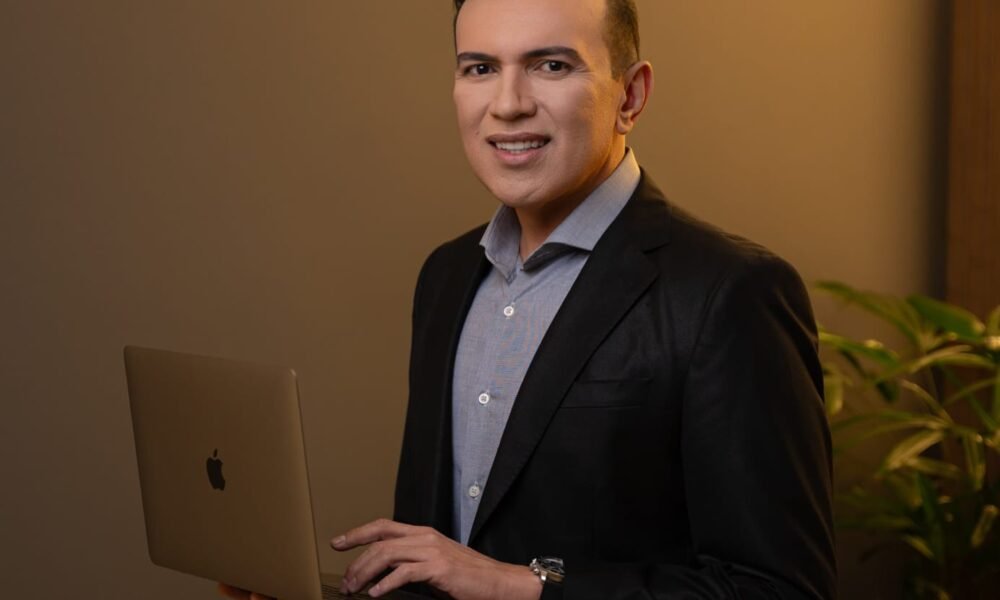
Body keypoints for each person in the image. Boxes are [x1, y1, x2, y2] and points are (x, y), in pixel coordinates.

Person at [223, 0, 836, 598]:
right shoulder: (445, 277)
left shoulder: (732, 291)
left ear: (630, 96)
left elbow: (779, 588)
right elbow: (440, 570)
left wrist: (522, 585)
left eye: (551, 65)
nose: (508, 104)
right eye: (480, 68)